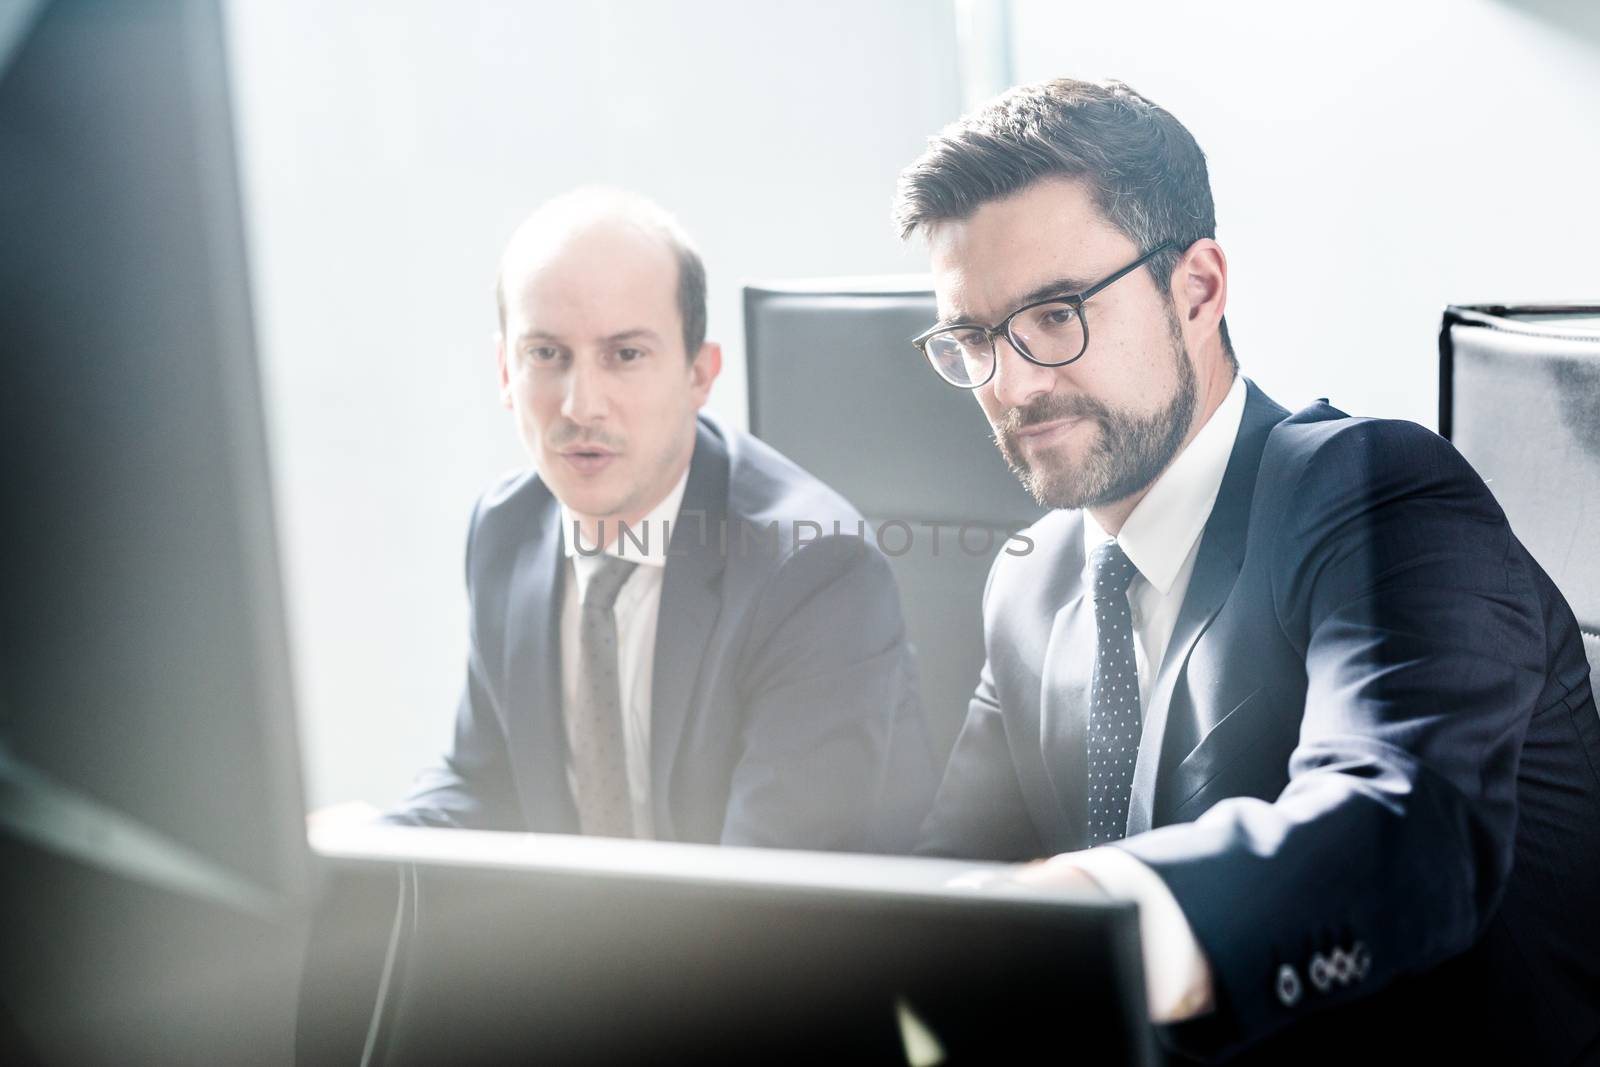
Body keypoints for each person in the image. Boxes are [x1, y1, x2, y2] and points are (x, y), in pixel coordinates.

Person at [896, 79, 1600, 1064]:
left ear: (1198, 288)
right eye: (970, 338)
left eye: (1054, 314)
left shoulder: (1375, 494)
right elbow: (935, 897)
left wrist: (1101, 909)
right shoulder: (1034, 580)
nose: (1011, 383)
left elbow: (1396, 833)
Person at [385, 188, 932, 852]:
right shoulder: (507, 526)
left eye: (626, 355)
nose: (581, 405)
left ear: (700, 374)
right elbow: (481, 785)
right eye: (547, 355)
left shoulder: (814, 571)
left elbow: (777, 903)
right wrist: (351, 853)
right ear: (505, 369)